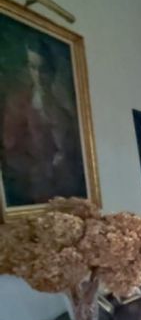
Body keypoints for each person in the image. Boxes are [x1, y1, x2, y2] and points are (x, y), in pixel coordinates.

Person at [1, 37, 85, 205]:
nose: (38, 75)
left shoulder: (62, 106)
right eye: (33, 67)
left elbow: (70, 145)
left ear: (52, 72)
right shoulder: (15, 105)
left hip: (61, 182)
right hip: (32, 184)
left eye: (43, 69)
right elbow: (9, 149)